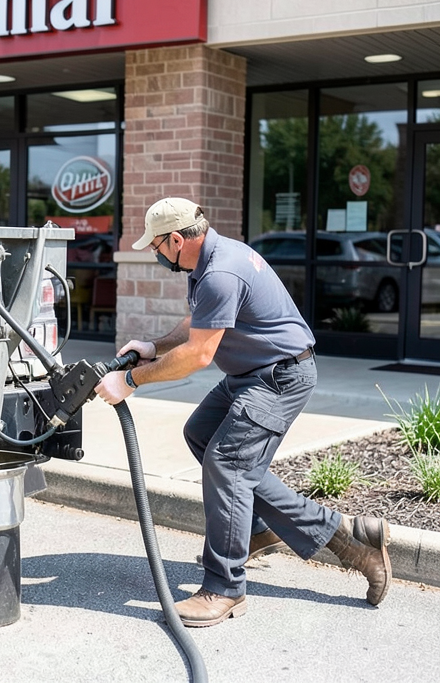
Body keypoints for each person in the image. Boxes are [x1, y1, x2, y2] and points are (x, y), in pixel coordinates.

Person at [95, 197, 392, 628]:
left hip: (279, 377)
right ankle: (254, 529)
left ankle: (226, 587)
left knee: (229, 465)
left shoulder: (219, 271)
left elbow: (198, 354)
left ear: (177, 240)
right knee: (201, 434)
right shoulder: (213, 258)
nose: (156, 254)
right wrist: (153, 346)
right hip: (251, 373)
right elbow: (200, 322)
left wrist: (130, 382)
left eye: (157, 246)